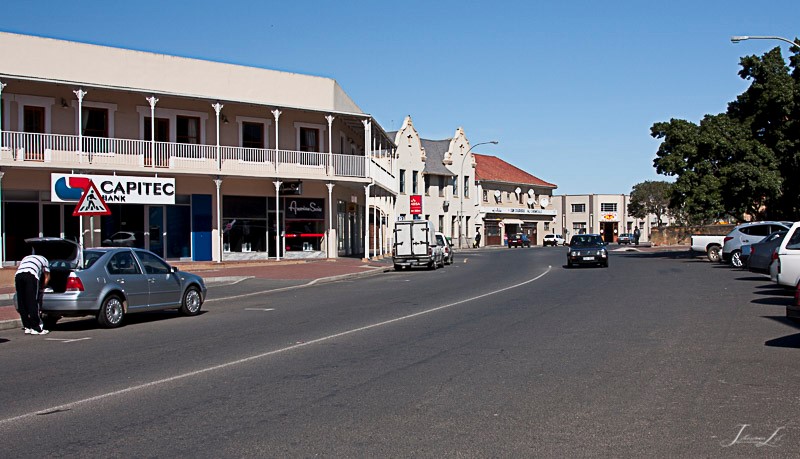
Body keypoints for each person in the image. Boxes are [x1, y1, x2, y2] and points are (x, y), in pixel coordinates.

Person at [15, 253, 51, 335]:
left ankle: (27, 327)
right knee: (32, 301)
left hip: (18, 275)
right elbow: (47, 276)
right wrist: (43, 287)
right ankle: (37, 328)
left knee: (22, 302)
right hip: (31, 275)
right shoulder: (44, 260)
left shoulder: (26, 257)